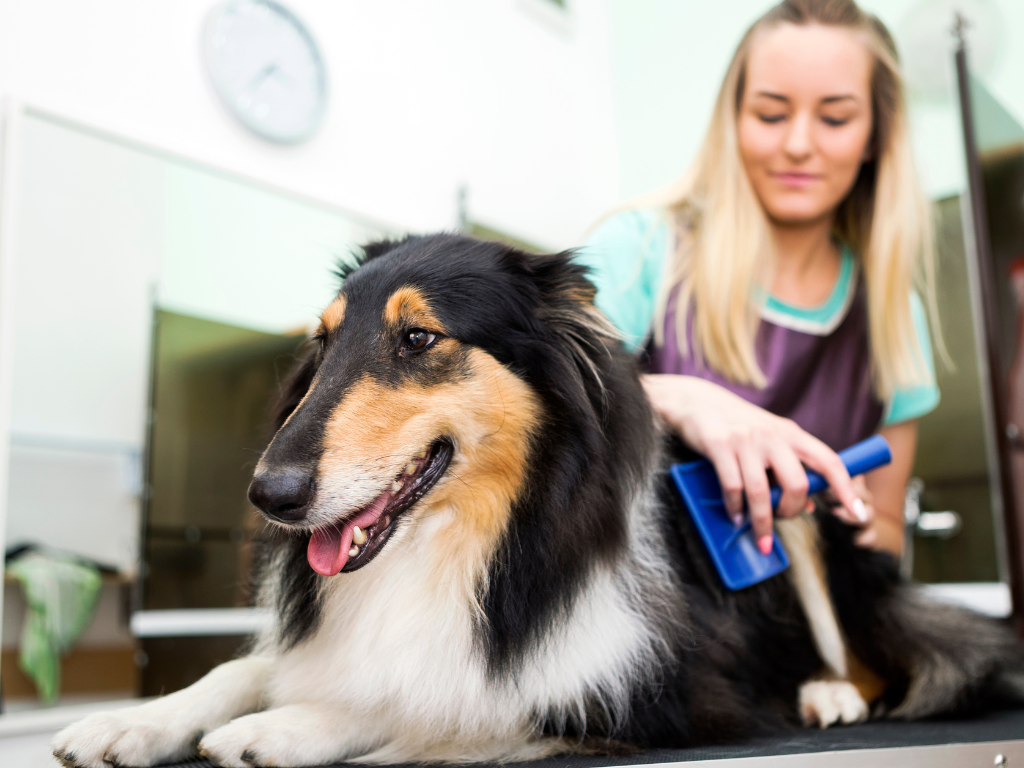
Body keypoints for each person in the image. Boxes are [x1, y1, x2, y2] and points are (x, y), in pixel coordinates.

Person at [579, 0, 940, 558]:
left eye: (835, 118)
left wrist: (864, 527)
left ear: (874, 136)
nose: (798, 144)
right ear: (734, 119)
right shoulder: (642, 248)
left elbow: (887, 534)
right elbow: (548, 407)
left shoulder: (894, 314)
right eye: (771, 114)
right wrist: (680, 399)